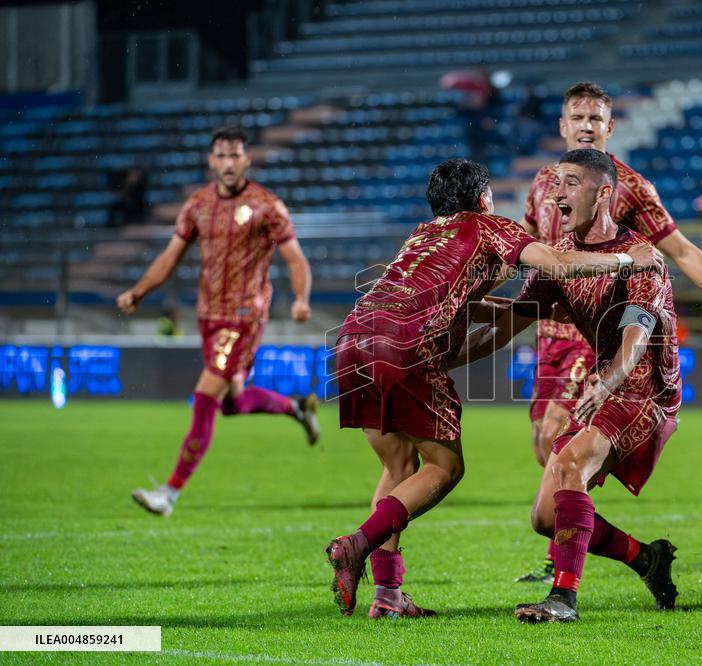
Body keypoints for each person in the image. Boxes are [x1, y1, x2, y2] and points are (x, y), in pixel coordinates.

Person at [326, 158, 662, 620]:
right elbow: (558, 266)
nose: (557, 193)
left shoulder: (422, 235)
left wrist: (455, 346)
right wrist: (628, 258)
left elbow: (487, 310)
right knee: (444, 467)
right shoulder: (488, 226)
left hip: (352, 336)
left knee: (398, 466)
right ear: (483, 198)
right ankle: (356, 544)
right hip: (405, 341)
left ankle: (387, 596)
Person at [515, 82, 702, 584]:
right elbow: (535, 258)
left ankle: (562, 569)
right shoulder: (544, 185)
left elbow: (682, 250)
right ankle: (587, 540)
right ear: (562, 126)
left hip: (599, 333)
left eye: (595, 118)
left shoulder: (628, 186)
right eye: (576, 117)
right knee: (545, 448)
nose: (586, 125)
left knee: (561, 443)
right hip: (550, 329)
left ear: (610, 127)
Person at [461, 149, 681, 622]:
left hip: (643, 390)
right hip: (606, 385)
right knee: (545, 517)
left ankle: (562, 599)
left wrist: (607, 382)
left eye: (571, 183)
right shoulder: (562, 260)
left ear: (603, 193)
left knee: (571, 467)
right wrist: (450, 344)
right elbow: (510, 323)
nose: (556, 193)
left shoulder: (642, 258)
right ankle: (647, 559)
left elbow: (636, 336)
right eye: (555, 182)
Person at [118, 127, 320, 517]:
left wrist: (301, 299)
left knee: (206, 396)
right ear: (212, 161)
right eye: (221, 157)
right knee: (232, 401)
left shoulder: (267, 206)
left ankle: (169, 493)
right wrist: (139, 291)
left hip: (244, 315)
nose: (228, 164)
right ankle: (297, 409)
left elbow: (295, 258)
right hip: (208, 315)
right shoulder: (197, 205)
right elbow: (170, 256)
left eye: (235, 156)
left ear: (247, 160)